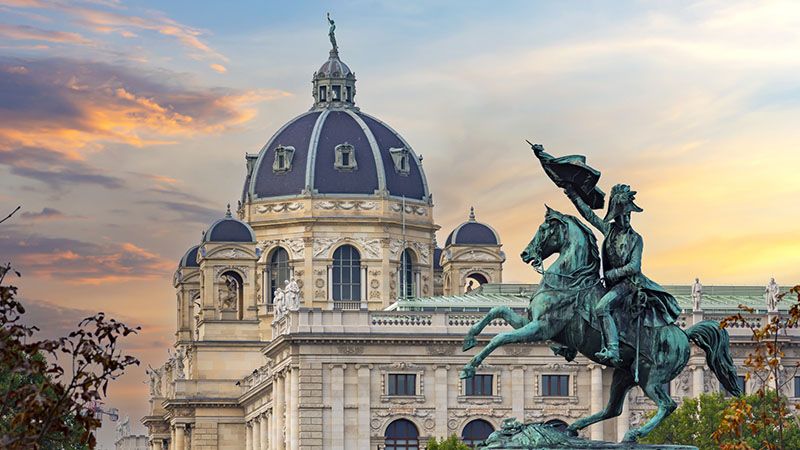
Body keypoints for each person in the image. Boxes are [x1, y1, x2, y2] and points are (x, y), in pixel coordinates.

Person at [564, 183, 681, 365]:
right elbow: (589, 215)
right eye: (623, 215)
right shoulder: (609, 230)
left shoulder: (636, 238)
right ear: (615, 215)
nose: (626, 218)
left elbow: (634, 266)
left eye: (629, 214)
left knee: (602, 307)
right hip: (612, 284)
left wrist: (613, 273)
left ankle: (612, 349)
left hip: (630, 284)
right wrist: (572, 193)